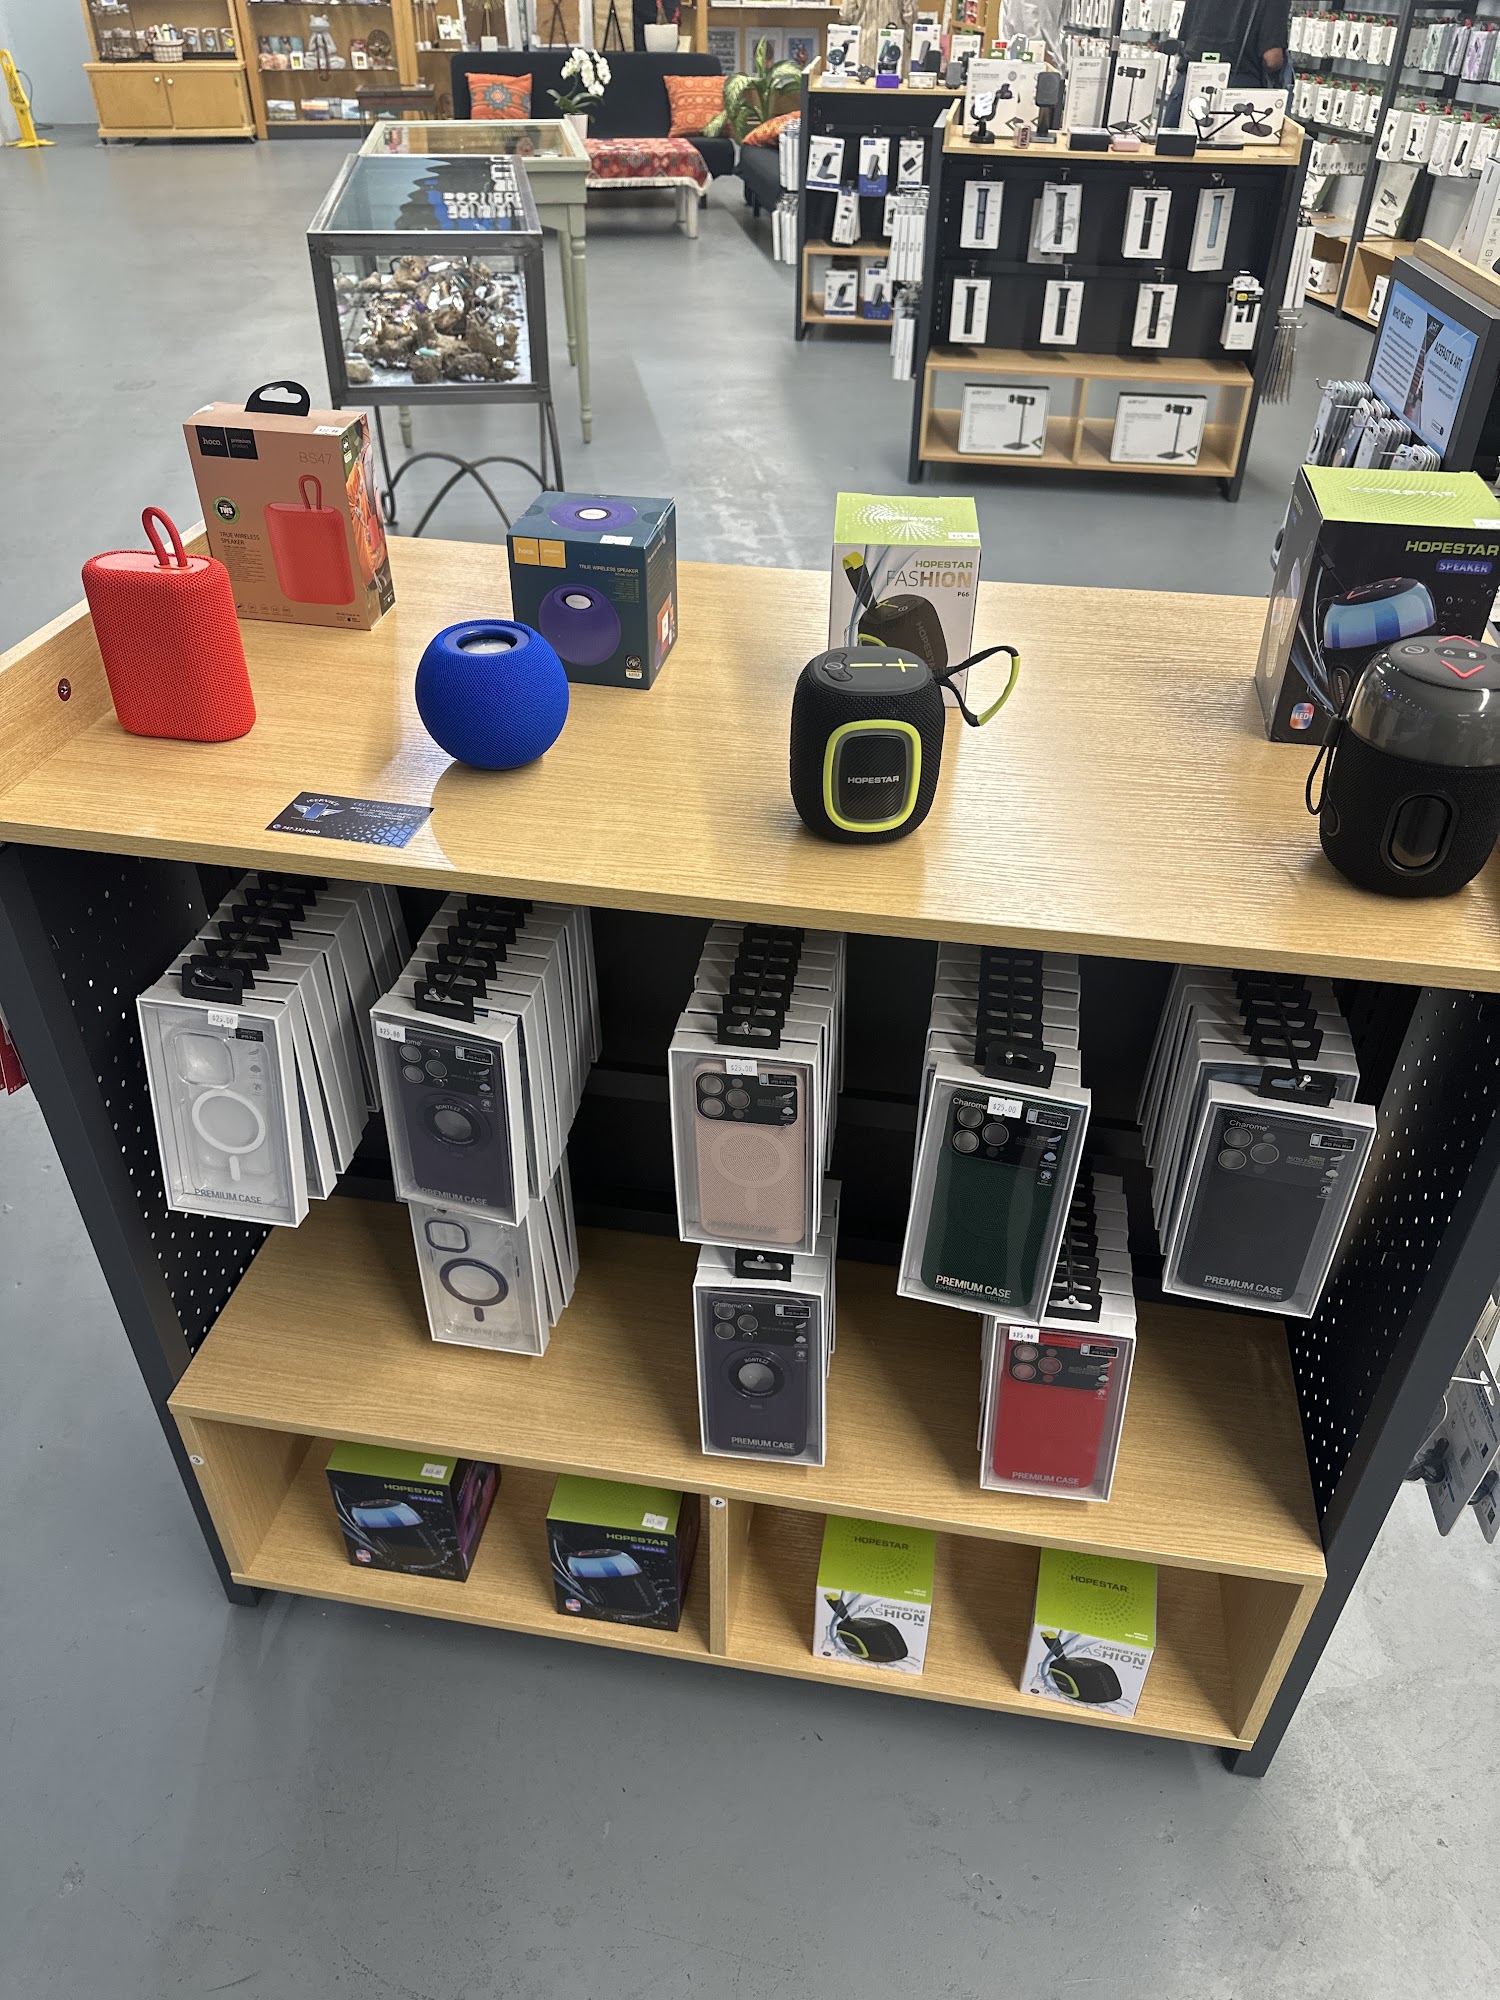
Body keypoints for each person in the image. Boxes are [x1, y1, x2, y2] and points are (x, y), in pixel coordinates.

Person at [1163, 0, 1291, 126]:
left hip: (1189, 89)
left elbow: (1186, 39)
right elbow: (1271, 59)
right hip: (1239, 99)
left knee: (1174, 140)